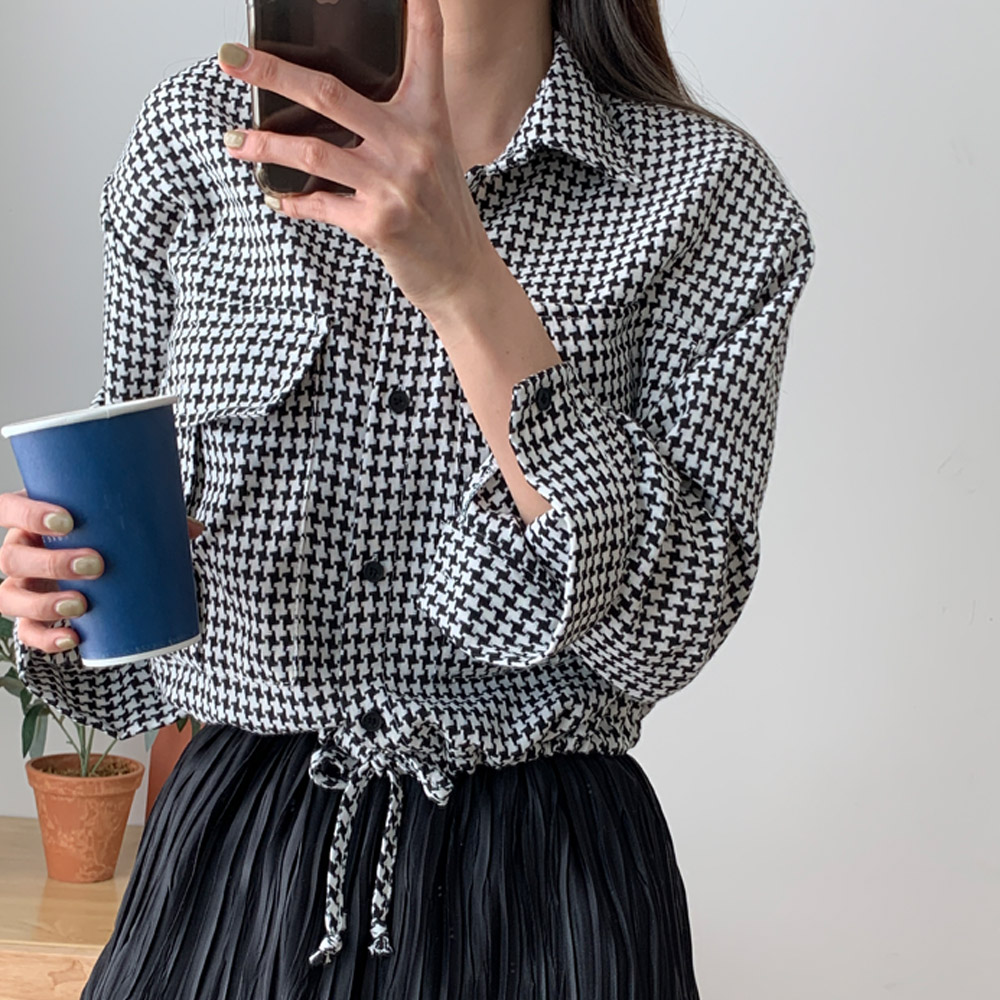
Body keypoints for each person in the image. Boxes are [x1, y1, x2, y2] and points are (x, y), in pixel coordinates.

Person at [0, 0, 816, 997]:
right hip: (230, 869)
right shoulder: (200, 138)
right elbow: (131, 613)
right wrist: (62, 583)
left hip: (542, 888)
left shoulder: (707, 195)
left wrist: (467, 283)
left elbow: (672, 629)